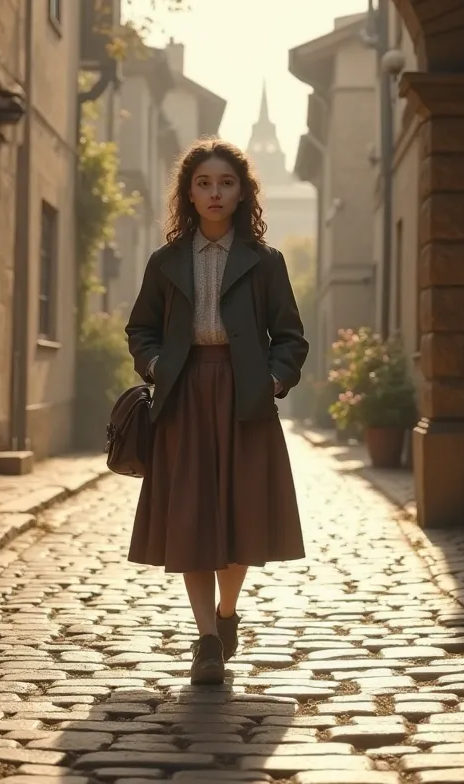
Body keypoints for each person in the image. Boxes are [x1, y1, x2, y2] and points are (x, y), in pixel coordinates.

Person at [125, 137, 308, 686]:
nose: (214, 192)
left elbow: (291, 337)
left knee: (242, 511)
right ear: (188, 192)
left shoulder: (266, 261)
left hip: (246, 397)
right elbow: (141, 329)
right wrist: (157, 367)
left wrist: (273, 380)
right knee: (192, 517)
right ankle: (206, 638)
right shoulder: (165, 262)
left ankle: (228, 612)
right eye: (203, 182)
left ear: (242, 192)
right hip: (183, 397)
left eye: (226, 182)